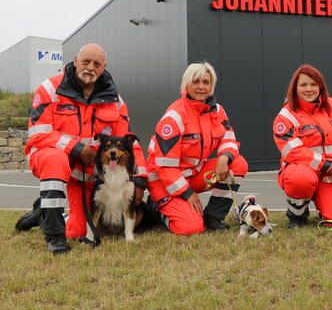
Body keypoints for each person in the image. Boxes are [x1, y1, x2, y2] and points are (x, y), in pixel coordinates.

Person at [23, 43, 147, 254]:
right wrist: (75, 147)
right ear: (75, 61)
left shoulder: (115, 100)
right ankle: (54, 237)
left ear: (103, 67)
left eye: (96, 64)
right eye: (86, 61)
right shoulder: (50, 89)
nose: (90, 67)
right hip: (54, 162)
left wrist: (139, 179)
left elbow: (129, 143)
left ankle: (43, 212)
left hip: (89, 175)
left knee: (80, 230)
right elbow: (38, 134)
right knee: (55, 158)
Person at [146, 62, 248, 235]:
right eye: (196, 81)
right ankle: (155, 209)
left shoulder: (217, 111)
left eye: (206, 82)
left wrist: (224, 158)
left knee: (237, 163)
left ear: (212, 86)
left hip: (193, 174)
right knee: (191, 228)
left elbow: (229, 138)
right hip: (164, 180)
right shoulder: (174, 117)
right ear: (186, 85)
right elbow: (164, 167)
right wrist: (187, 194)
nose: (201, 87)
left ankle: (213, 217)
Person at [273, 65, 332, 228]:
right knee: (300, 179)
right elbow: (293, 151)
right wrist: (325, 164)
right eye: (303, 85)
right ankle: (297, 215)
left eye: (313, 84)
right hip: (303, 173)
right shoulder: (286, 116)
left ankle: (326, 205)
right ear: (295, 88)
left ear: (320, 86)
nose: (309, 89)